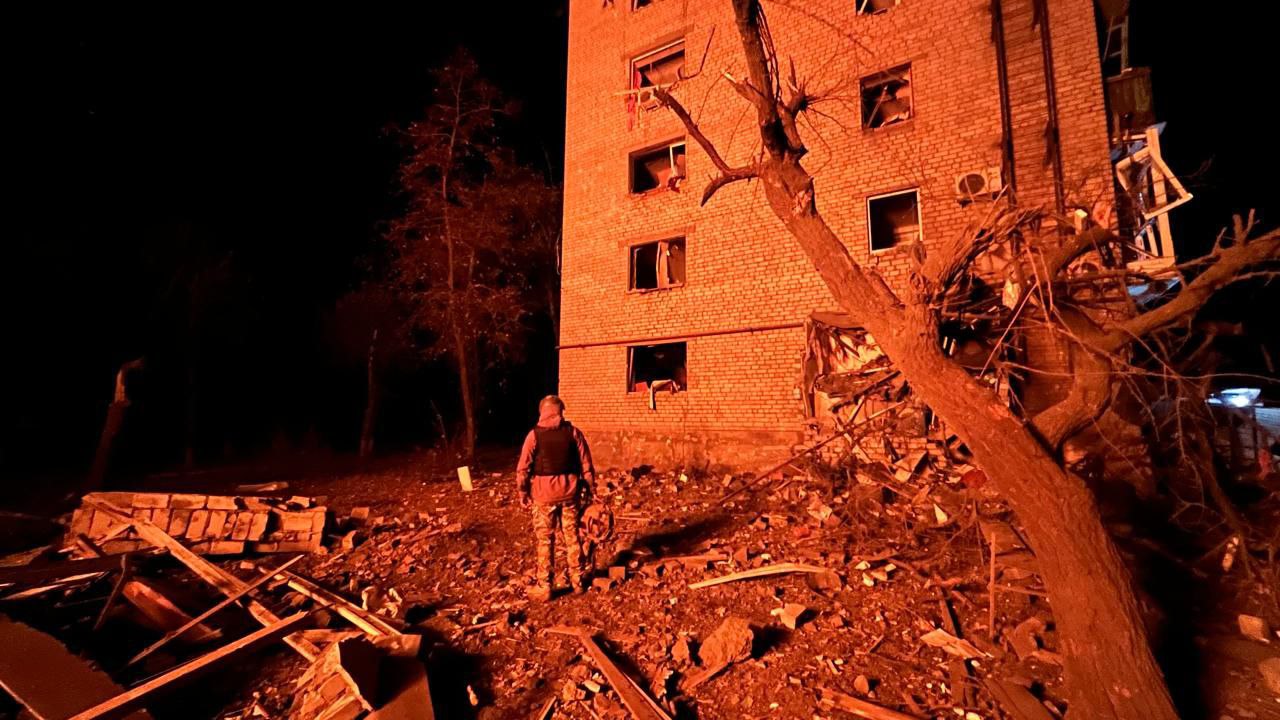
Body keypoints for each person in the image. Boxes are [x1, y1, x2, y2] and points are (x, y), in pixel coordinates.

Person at [516, 395, 596, 601]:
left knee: (545, 541)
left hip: (543, 497)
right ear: (560, 411)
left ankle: (545, 586)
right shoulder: (573, 433)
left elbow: (523, 469)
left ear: (542, 412)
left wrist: (523, 492)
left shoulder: (533, 435)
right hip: (570, 494)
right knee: (572, 537)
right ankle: (578, 581)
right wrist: (590, 488)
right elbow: (586, 464)